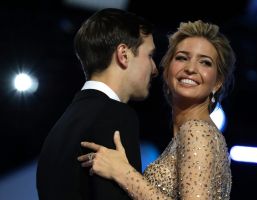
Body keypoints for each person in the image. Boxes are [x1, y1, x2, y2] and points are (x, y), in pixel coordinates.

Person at [78, 19, 236, 200]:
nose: (191, 68)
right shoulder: (189, 134)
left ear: (217, 83)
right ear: (167, 70)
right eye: (182, 58)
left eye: (205, 62)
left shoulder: (198, 132)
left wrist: (123, 173)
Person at [36, 8, 158, 200]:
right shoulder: (116, 115)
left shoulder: (57, 131)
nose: (154, 69)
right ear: (123, 54)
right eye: (150, 55)